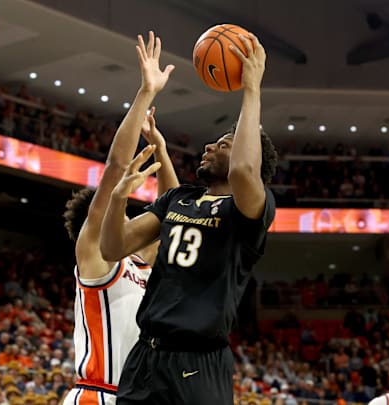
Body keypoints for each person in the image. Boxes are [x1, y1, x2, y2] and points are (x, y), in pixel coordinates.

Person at [100, 32, 277, 405]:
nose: (210, 145)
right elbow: (112, 246)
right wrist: (118, 199)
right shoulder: (179, 198)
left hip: (198, 361)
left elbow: (245, 171)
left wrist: (251, 90)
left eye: (224, 144)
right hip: (145, 357)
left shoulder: (249, 210)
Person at [61, 31, 179, 405]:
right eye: (122, 213)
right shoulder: (95, 257)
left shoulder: (140, 264)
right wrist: (146, 93)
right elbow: (113, 169)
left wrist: (160, 149)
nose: (126, 222)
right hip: (94, 396)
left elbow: (172, 215)